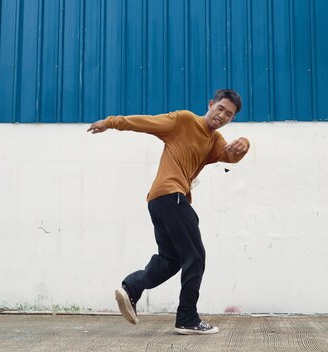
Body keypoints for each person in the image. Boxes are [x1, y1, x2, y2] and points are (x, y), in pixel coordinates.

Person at [87, 89, 250, 335]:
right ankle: (187, 318)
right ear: (210, 104)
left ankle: (131, 288)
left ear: (231, 119)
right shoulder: (184, 121)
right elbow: (145, 122)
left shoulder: (214, 140)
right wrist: (110, 123)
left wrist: (244, 145)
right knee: (195, 256)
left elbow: (229, 155)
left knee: (172, 260)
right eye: (220, 108)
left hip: (161, 200)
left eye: (229, 115)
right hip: (170, 196)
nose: (222, 116)